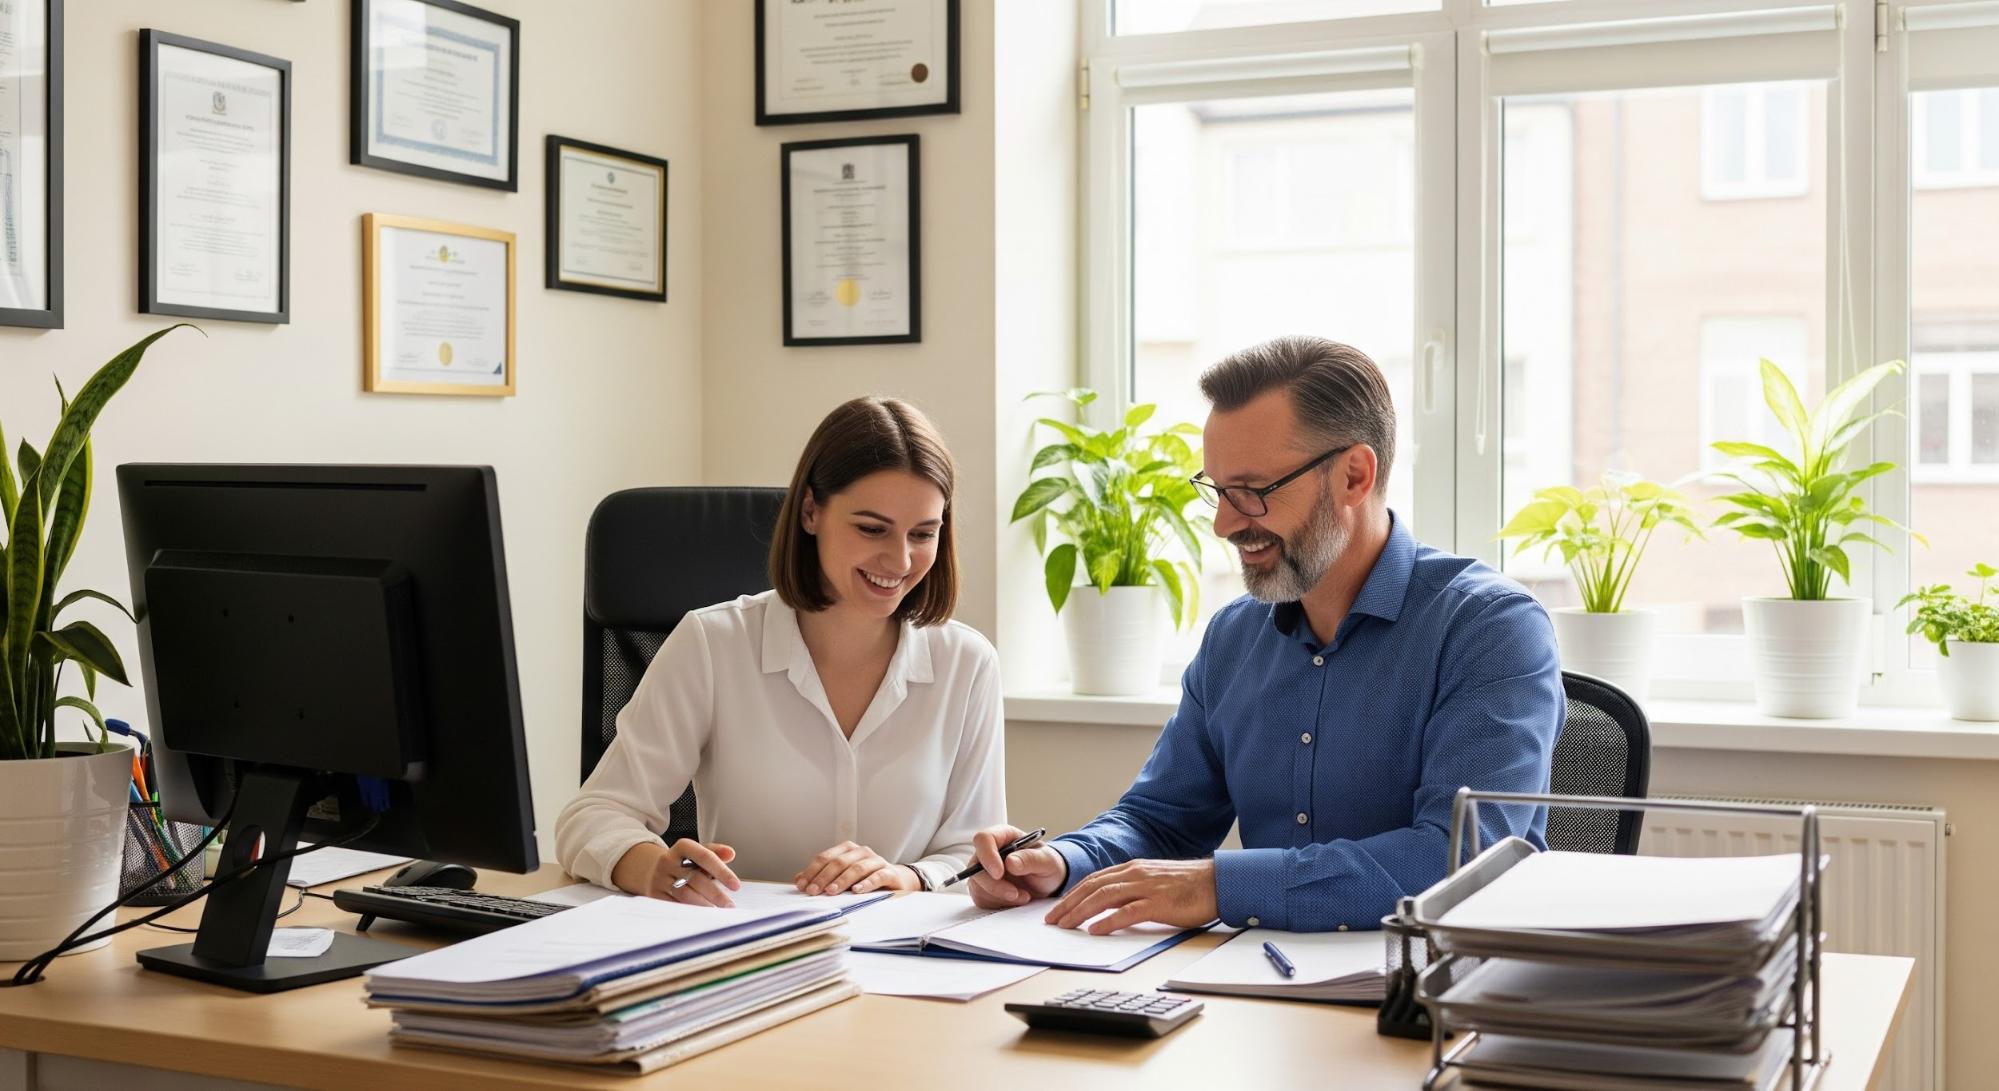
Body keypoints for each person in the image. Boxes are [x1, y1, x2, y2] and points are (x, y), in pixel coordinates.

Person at [967, 335, 1563, 934]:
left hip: (1426, 997)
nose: (1226, 523)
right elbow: (1162, 821)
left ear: (1354, 477)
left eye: (1252, 492)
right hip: (1252, 992)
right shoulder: (1234, 637)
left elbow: (1459, 861)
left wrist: (1220, 885)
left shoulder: (1491, 629)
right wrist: (1063, 862)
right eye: (1218, 492)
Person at [555, 396, 1005, 906]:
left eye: (923, 534)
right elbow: (591, 816)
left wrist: (907, 878)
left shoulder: (967, 664)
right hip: (741, 950)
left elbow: (974, 848)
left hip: (900, 955)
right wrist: (650, 868)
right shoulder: (713, 643)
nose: (899, 560)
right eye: (871, 529)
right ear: (811, 511)